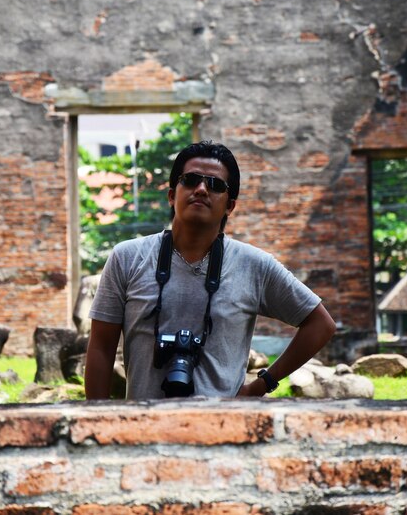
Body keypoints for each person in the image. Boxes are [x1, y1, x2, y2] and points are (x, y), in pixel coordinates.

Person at [85, 140, 336, 400]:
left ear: (230, 205)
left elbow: (321, 324)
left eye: (216, 185)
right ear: (172, 195)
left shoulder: (254, 264)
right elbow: (101, 348)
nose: (202, 189)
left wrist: (260, 385)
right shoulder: (126, 258)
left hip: (226, 431)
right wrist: (95, 421)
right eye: (191, 180)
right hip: (142, 428)